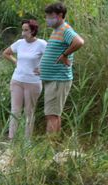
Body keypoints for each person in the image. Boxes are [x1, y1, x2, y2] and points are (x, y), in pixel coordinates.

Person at [38, 3, 84, 136]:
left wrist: (64, 55)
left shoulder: (65, 29)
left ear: (59, 16)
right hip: (53, 79)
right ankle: (54, 145)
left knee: (52, 114)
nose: (47, 18)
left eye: (50, 16)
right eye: (46, 16)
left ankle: (49, 147)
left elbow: (79, 42)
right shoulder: (56, 30)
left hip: (58, 79)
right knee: (54, 114)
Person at [3, 20, 47, 139]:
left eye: (26, 30)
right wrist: (16, 62)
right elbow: (6, 53)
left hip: (33, 82)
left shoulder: (42, 44)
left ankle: (26, 142)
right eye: (22, 30)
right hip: (17, 80)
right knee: (15, 111)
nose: (23, 33)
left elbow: (53, 57)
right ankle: (11, 140)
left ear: (33, 30)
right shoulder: (19, 43)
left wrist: (43, 68)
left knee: (29, 112)